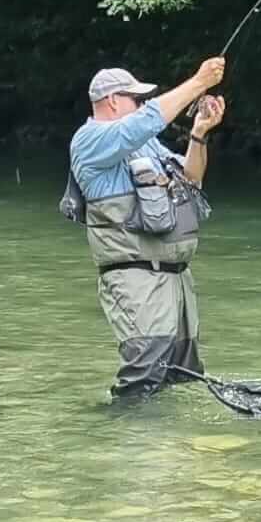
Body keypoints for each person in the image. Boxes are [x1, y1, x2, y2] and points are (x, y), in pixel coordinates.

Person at [68, 57, 227, 399]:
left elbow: (192, 178)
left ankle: (174, 446)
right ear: (112, 101)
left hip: (175, 279)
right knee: (144, 376)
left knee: (182, 378)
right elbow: (146, 121)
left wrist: (199, 133)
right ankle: (130, 444)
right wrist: (199, 83)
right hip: (136, 279)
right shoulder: (90, 140)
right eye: (135, 99)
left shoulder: (146, 144)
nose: (141, 105)